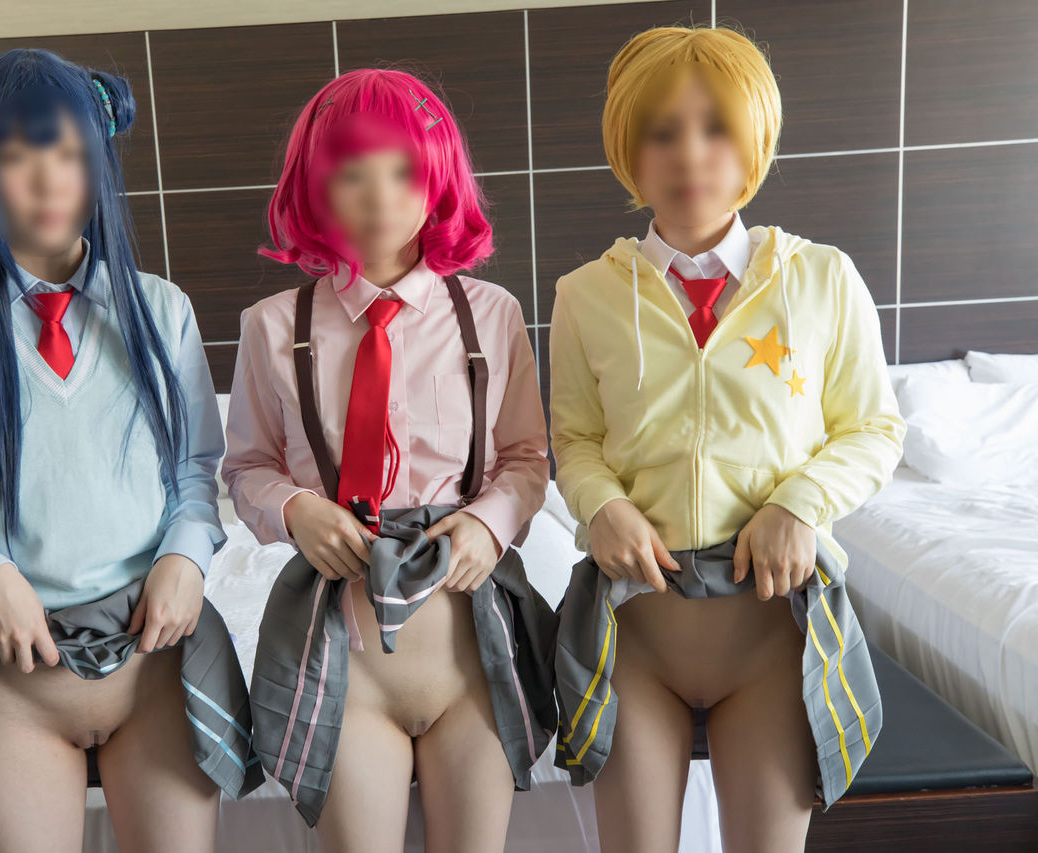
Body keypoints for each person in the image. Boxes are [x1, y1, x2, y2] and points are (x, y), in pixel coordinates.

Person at [0, 48, 261, 852]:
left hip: (153, 659)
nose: (48, 181)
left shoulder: (161, 311)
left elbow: (192, 469)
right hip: (12, 673)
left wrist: (186, 554)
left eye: (70, 154)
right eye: (16, 156)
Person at [548, 25, 907, 852]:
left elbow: (874, 429)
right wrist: (600, 506)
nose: (689, 153)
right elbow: (574, 437)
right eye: (661, 132)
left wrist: (801, 503)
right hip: (638, 634)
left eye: (715, 129)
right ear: (628, 151)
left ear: (754, 141)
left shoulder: (823, 278)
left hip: (772, 636)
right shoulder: (584, 294)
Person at [221, 68, 556, 853]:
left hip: (469, 659)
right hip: (346, 662)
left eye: (403, 170)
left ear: (439, 180)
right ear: (314, 186)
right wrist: (295, 509)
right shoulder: (271, 325)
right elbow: (246, 467)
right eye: (352, 172)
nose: (380, 194)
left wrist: (490, 523)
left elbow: (526, 456)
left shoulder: (492, 315)